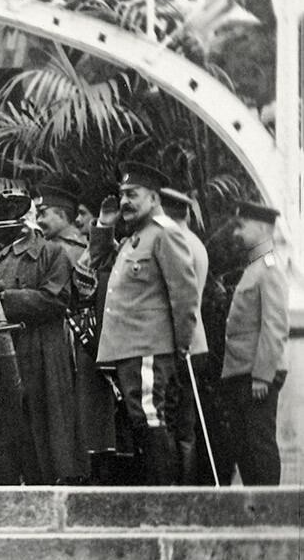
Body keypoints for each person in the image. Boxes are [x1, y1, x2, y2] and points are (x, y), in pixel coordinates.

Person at [89, 162, 202, 485]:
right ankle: (155, 496)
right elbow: (99, 261)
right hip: (129, 349)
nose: (124, 201)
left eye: (133, 195)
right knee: (142, 421)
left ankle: (162, 500)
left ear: (153, 198)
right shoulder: (135, 238)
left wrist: (180, 346)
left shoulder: (165, 236)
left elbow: (184, 296)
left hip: (149, 347)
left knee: (150, 419)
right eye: (122, 194)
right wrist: (105, 225)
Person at [0, 194, 85, 483]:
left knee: (45, 422)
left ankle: (51, 483)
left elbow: (56, 300)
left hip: (42, 348)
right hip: (2, 349)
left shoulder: (52, 253)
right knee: (9, 422)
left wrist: (4, 300)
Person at [37, 180, 116, 465]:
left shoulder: (69, 250)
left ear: (61, 214)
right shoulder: (57, 246)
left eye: (44, 212)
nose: (39, 219)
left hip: (77, 334)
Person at [219, 201, 289, 485]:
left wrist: (262, 375)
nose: (236, 233)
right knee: (245, 448)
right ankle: (256, 511)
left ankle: (270, 512)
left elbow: (275, 325)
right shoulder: (256, 266)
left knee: (259, 447)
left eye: (241, 226)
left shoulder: (269, 267)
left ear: (261, 227)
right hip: (243, 371)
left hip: (256, 374)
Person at [158, 188, 213, 484]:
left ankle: (178, 487)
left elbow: (180, 300)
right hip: (196, 342)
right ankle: (185, 483)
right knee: (185, 424)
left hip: (180, 343)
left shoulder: (175, 242)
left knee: (173, 424)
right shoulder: (195, 242)